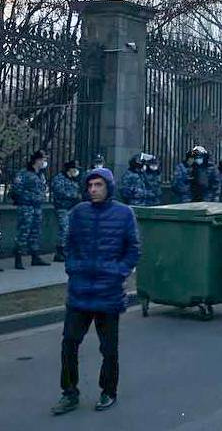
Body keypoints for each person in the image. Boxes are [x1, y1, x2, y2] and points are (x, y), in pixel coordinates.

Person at [51, 168, 140, 416]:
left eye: (98, 185)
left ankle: (108, 391)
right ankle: (69, 392)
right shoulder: (79, 213)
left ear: (108, 187)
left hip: (108, 292)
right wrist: (73, 268)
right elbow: (70, 244)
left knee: (108, 348)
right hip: (80, 291)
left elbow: (133, 249)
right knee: (69, 343)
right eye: (90, 185)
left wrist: (119, 271)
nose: (93, 190)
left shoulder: (124, 214)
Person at [12, 150, 49, 269]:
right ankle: (18, 258)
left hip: (37, 206)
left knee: (35, 232)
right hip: (26, 207)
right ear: (37, 160)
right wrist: (25, 198)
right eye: (43, 159)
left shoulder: (41, 174)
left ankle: (35, 256)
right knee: (24, 232)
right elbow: (16, 189)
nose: (45, 162)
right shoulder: (24, 173)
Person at [51, 161, 82, 263]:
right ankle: (60, 252)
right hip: (62, 208)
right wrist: (74, 195)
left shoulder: (73, 180)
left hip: (72, 208)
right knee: (64, 229)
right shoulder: (59, 179)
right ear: (70, 169)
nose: (77, 171)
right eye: (75, 169)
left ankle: (67, 250)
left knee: (71, 230)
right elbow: (59, 192)